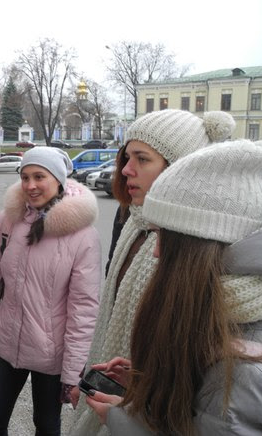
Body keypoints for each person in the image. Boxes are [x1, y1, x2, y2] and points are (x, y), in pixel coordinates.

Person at [85, 139, 262, 435]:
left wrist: (121, 421)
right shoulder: (228, 318)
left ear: (192, 244)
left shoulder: (243, 376)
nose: (155, 252)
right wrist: (153, 386)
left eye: (162, 235)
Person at [69, 109, 235, 436]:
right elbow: (110, 312)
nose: (125, 169)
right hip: (116, 382)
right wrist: (90, 374)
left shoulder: (198, 246)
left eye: (142, 159)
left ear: (179, 168)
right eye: (126, 157)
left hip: (153, 411)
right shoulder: (134, 220)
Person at [0, 147, 101, 435]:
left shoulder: (83, 235)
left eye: (39, 177)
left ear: (58, 180)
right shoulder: (9, 220)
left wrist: (72, 373)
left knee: (46, 427)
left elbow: (83, 309)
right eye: (25, 177)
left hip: (51, 354)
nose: (30, 185)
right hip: (7, 345)